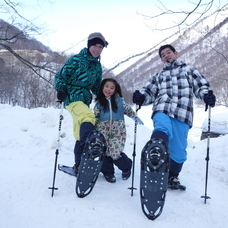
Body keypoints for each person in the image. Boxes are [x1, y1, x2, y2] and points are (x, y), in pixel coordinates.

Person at [132, 44, 216, 187]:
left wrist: (207, 95)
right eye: (163, 55)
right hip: (162, 108)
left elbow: (201, 86)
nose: (166, 55)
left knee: (178, 150)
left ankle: (172, 177)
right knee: (162, 128)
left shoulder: (189, 70)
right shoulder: (159, 76)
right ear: (162, 60)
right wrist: (141, 97)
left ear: (176, 53)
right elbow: (149, 92)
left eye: (168, 52)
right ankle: (156, 154)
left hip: (182, 113)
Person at [54, 32, 108, 174]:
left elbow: (97, 87)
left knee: (79, 134)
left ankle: (78, 166)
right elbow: (60, 76)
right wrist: (61, 88)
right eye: (95, 46)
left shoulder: (97, 67)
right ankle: (91, 146)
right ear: (89, 45)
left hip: (84, 100)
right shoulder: (75, 60)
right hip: (72, 97)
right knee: (88, 118)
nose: (97, 49)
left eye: (100, 47)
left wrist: (106, 97)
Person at [94, 78, 144, 183]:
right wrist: (92, 128)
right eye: (106, 86)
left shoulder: (119, 101)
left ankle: (127, 167)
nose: (108, 89)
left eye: (112, 88)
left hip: (118, 133)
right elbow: (95, 117)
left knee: (115, 153)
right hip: (102, 132)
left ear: (115, 90)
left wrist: (134, 116)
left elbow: (128, 110)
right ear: (102, 87)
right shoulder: (99, 104)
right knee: (104, 152)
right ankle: (108, 173)